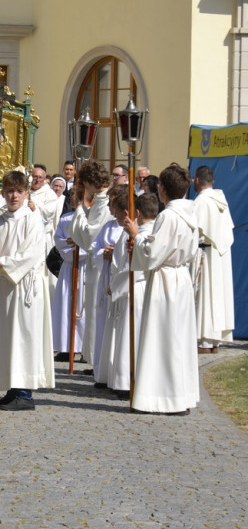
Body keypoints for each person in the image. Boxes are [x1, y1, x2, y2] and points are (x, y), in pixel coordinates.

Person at [125, 163, 199, 415]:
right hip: (181, 278)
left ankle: (162, 398)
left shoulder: (168, 216)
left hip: (165, 279)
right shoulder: (190, 213)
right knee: (177, 339)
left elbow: (154, 254)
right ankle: (180, 395)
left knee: (163, 339)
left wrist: (137, 235)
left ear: (163, 190)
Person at [0, 170, 55, 410]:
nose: (14, 196)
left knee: (24, 337)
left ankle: (25, 394)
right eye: (10, 191)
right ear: (2, 193)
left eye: (19, 191)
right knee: (8, 338)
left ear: (26, 193)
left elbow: (31, 254)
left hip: (26, 288)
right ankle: (12, 389)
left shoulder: (31, 219)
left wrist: (2, 263)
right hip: (6, 286)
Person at [104, 192, 158, 398]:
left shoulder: (139, 235)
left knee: (131, 335)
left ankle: (127, 381)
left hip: (135, 287)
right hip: (133, 287)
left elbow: (133, 265)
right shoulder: (136, 233)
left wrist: (115, 285)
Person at [69, 159, 113, 366]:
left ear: (89, 182)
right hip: (99, 262)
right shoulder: (101, 200)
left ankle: (97, 358)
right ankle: (94, 356)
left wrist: (79, 209)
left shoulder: (104, 203)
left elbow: (89, 235)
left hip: (102, 264)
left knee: (97, 309)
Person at [192, 165, 235, 353]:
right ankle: (214, 341)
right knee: (216, 295)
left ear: (197, 180)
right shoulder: (221, 200)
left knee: (206, 295)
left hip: (206, 254)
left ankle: (204, 340)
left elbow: (194, 231)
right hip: (220, 255)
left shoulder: (201, 201)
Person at [91, 185, 128, 387]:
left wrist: (115, 254)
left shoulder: (130, 227)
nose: (111, 212)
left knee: (118, 328)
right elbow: (94, 248)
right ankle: (102, 370)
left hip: (120, 282)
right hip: (106, 277)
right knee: (104, 326)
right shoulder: (108, 227)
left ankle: (117, 372)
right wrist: (103, 254)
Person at [51, 187, 87, 362]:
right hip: (68, 266)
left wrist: (80, 249)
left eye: (73, 195)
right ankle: (66, 346)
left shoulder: (89, 218)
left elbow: (93, 241)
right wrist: (70, 249)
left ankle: (82, 347)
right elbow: (58, 240)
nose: (70, 198)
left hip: (85, 267)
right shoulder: (65, 218)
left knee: (82, 306)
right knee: (66, 305)